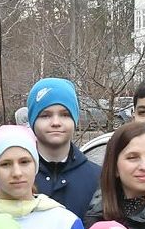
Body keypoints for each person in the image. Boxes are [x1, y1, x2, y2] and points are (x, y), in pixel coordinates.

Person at [26, 77, 102, 219]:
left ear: (75, 119)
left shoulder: (98, 178)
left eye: (65, 115)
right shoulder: (17, 175)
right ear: (32, 120)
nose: (56, 122)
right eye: (45, 115)